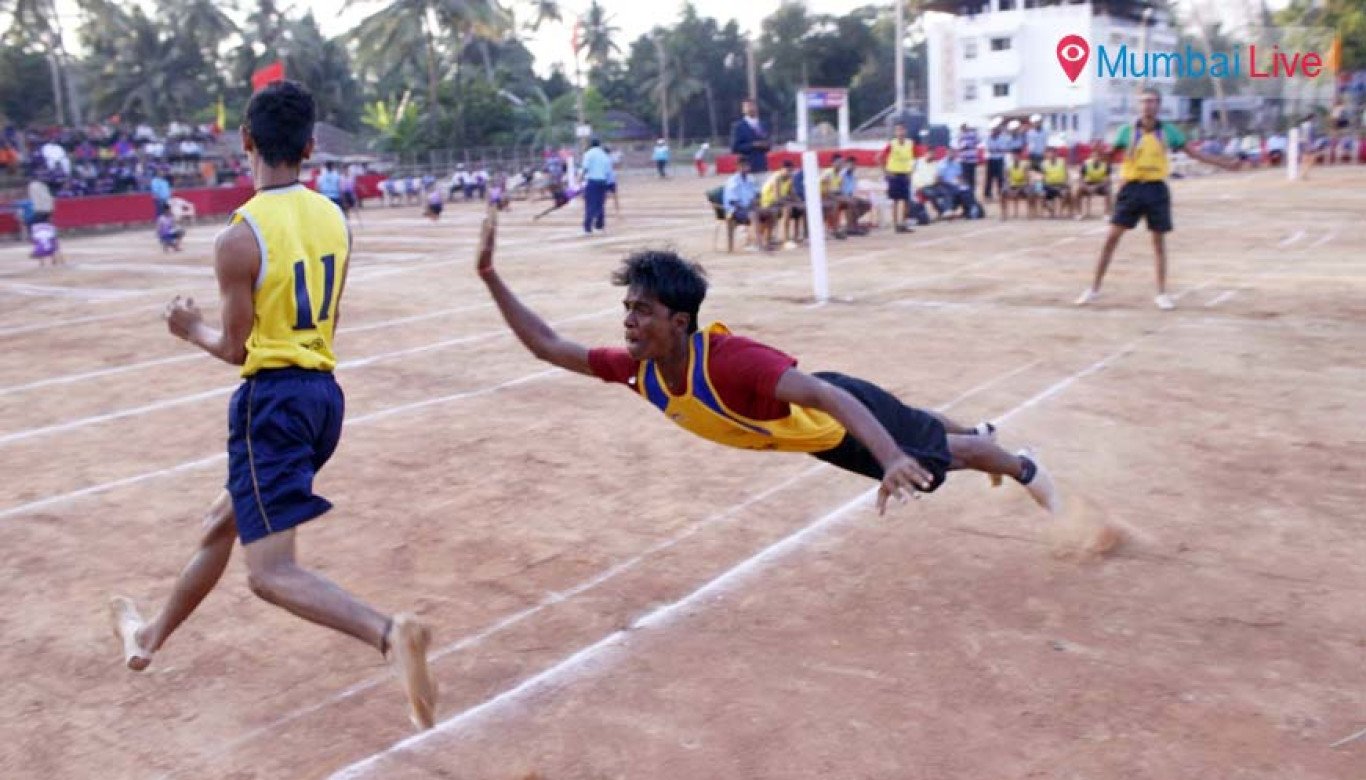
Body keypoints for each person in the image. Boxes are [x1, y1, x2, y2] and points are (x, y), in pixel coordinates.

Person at [108, 80, 437, 732]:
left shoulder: (240, 236)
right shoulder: (334, 217)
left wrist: (188, 329)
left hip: (274, 405)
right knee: (220, 521)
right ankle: (148, 635)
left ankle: (388, 634)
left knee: (270, 573)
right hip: (323, 399)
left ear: (246, 141)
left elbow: (235, 348)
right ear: (311, 147)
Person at [475, 217, 1062, 528]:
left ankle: (1024, 467)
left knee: (938, 464)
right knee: (916, 425)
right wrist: (490, 276)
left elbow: (825, 394)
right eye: (627, 308)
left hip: (839, 417)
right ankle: (973, 434)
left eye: (642, 310)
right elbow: (549, 346)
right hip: (817, 436)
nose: (628, 320)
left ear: (678, 321)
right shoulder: (639, 370)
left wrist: (888, 458)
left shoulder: (730, 361)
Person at [1077, 87, 1241, 311]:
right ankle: (1093, 289)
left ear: (1159, 105)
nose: (1148, 105)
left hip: (1156, 188)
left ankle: (1162, 293)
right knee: (1111, 239)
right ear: (1138, 105)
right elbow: (1110, 157)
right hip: (1131, 187)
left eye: (1152, 101)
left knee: (1158, 243)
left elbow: (1195, 153)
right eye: (1144, 101)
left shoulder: (1169, 132)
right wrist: (1098, 153)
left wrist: (1224, 163)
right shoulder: (1126, 132)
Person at [722, 156, 771, 250]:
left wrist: (756, 201)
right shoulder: (733, 181)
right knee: (753, 214)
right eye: (742, 166)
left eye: (746, 166)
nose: (745, 168)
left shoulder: (750, 179)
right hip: (735, 210)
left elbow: (757, 194)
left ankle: (766, 240)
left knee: (768, 212)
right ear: (737, 167)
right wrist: (748, 208)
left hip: (749, 208)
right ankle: (759, 245)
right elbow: (733, 201)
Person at [878, 122, 916, 233]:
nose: (900, 132)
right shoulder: (892, 144)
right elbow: (879, 157)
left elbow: (913, 159)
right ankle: (896, 224)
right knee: (895, 201)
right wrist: (886, 172)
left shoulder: (910, 143)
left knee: (906, 200)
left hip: (905, 174)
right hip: (894, 174)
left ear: (905, 131)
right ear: (895, 132)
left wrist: (911, 172)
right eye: (898, 130)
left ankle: (903, 223)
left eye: (902, 130)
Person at [730, 98, 771, 175]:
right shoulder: (738, 126)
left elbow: (769, 145)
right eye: (748, 106)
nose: (751, 108)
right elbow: (734, 148)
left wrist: (766, 145)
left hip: (762, 167)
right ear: (743, 110)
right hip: (747, 168)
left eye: (752, 106)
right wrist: (753, 145)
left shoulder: (763, 124)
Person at [581, 138, 612, 235]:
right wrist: (609, 186)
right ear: (599, 145)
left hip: (592, 181)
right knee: (600, 204)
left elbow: (585, 168)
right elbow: (608, 171)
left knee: (590, 204)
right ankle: (599, 225)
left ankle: (588, 228)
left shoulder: (588, 154)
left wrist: (580, 178)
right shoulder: (604, 155)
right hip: (603, 182)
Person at [1076, 143, 1113, 219]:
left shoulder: (1106, 165)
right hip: (1088, 184)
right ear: (1091, 156)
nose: (1096, 158)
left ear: (1101, 157)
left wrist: (1096, 186)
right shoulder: (1085, 164)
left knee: (1108, 191)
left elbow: (1107, 181)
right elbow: (1080, 179)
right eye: (1094, 156)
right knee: (1078, 191)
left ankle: (1107, 214)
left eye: (1098, 156)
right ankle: (1079, 213)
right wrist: (1086, 187)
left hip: (1100, 185)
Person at [1039, 147, 1073, 217]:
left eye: (1052, 153)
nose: (1051, 155)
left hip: (1061, 185)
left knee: (1066, 194)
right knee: (1041, 195)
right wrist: (1041, 187)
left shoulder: (1062, 162)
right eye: (1049, 153)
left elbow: (1067, 174)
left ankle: (1060, 212)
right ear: (1047, 155)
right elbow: (1043, 177)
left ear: (1056, 154)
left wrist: (1068, 183)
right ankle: (1052, 211)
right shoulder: (1044, 164)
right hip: (1049, 186)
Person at [984, 122, 1010, 200]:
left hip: (999, 159)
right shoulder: (988, 137)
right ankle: (987, 194)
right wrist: (997, 149)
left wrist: (995, 149)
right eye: (993, 130)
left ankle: (1001, 193)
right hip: (990, 159)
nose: (994, 131)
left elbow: (1003, 149)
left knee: (1000, 177)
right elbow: (989, 149)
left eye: (996, 129)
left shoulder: (1002, 138)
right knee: (989, 178)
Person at [957, 123, 981, 194]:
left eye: (965, 128)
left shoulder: (973, 134)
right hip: (963, 160)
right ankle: (965, 191)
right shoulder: (960, 135)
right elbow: (958, 145)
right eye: (962, 128)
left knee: (972, 177)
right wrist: (962, 147)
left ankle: (972, 191)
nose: (964, 129)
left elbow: (978, 142)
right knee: (964, 177)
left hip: (972, 160)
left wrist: (969, 144)